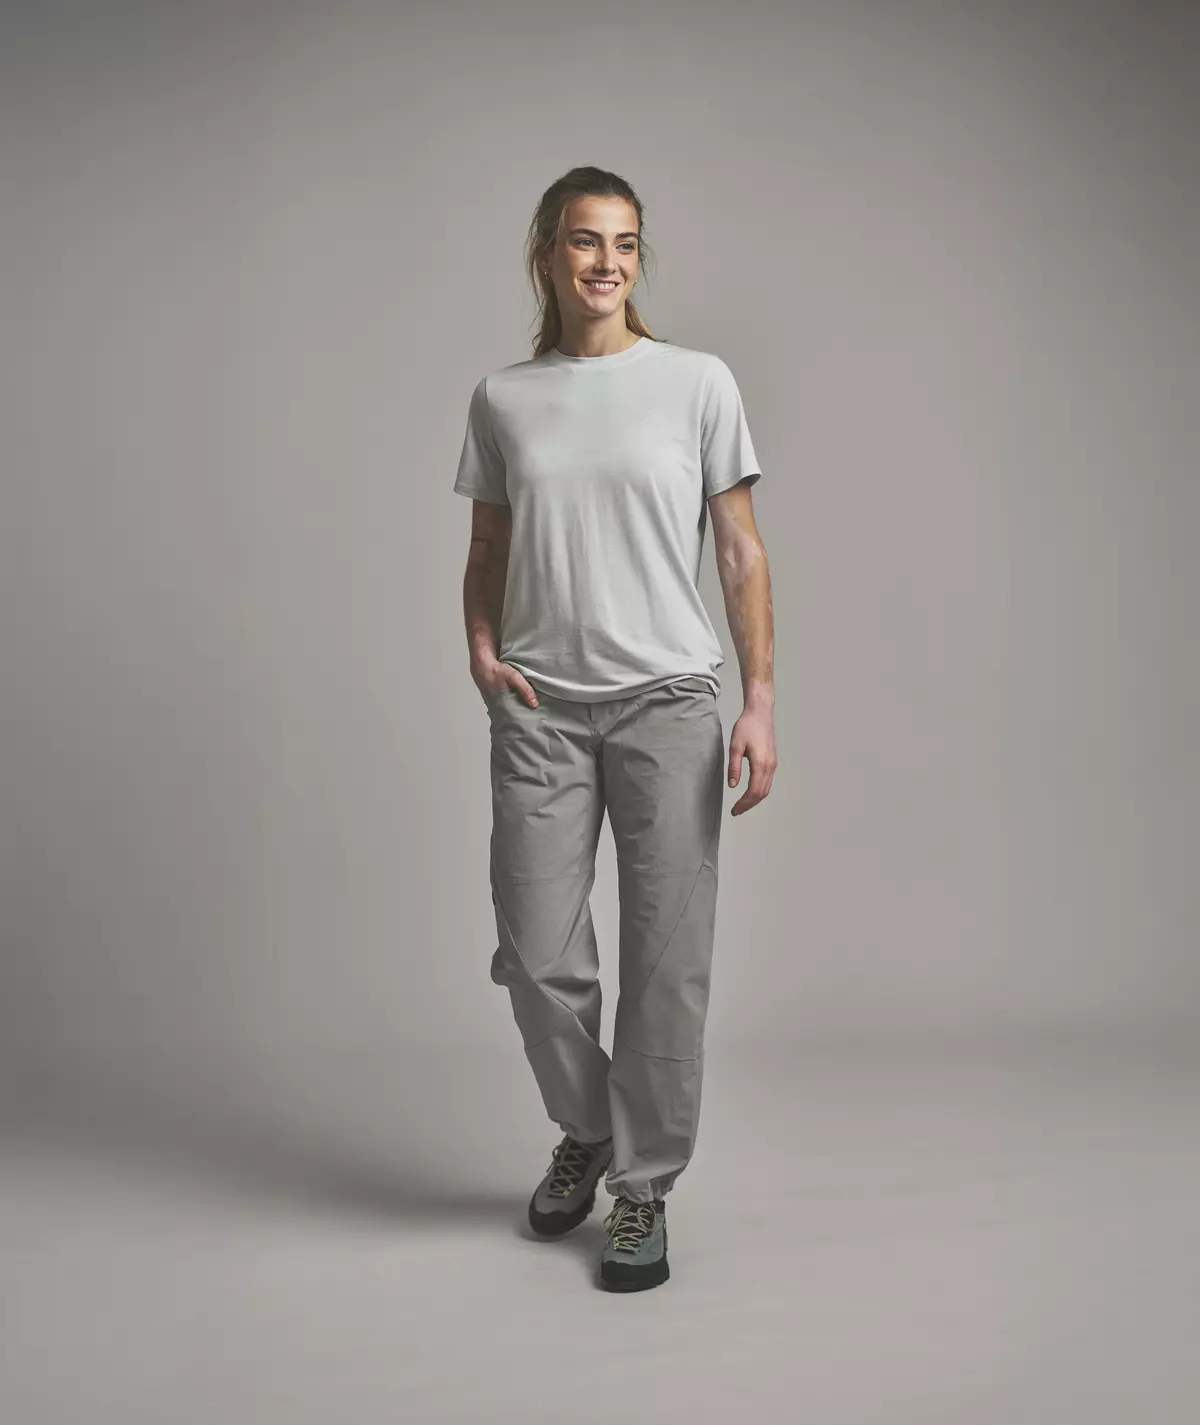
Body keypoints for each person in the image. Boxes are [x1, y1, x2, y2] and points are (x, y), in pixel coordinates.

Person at [453, 166, 776, 1292]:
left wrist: (759, 698)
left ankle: (641, 1187)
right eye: (586, 241)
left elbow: (739, 547)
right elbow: (488, 547)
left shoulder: (696, 382)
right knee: (537, 956)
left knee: (667, 963)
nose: (607, 262)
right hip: (541, 708)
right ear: (547, 253)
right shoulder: (503, 397)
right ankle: (590, 1129)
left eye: (626, 243)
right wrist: (481, 647)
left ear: (640, 258)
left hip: (668, 703)